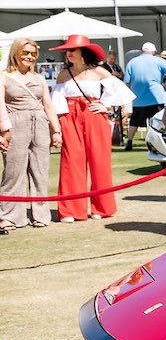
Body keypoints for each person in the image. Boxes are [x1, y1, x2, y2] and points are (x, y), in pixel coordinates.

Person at [51, 35, 127, 221]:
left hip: (94, 115)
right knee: (71, 162)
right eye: (67, 51)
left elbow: (121, 90)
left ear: (83, 52)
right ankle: (70, 210)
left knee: (99, 160)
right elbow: (56, 101)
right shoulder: (63, 74)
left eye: (72, 50)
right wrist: (59, 125)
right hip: (70, 117)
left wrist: (105, 105)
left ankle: (101, 208)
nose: (68, 54)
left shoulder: (98, 71)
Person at [1, 39, 60, 231]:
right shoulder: (4, 77)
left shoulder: (39, 78)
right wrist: (4, 131)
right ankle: (10, 217)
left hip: (40, 124)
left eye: (33, 54)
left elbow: (48, 105)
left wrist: (56, 130)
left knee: (40, 171)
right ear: (16, 52)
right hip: (15, 123)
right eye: (25, 52)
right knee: (13, 172)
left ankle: (40, 214)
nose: (29, 57)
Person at [122, 41, 166, 151]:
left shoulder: (132, 62)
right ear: (153, 51)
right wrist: (165, 85)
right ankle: (160, 143)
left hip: (138, 98)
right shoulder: (158, 60)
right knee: (158, 121)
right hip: (156, 97)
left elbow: (127, 81)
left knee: (134, 121)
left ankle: (129, 142)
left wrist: (131, 93)